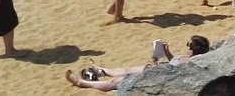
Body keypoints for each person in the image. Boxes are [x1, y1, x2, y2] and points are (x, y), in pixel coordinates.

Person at [64, 35, 211, 90]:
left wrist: (154, 66)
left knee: (115, 82)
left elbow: (170, 74)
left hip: (156, 75)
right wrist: (166, 51)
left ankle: (82, 83)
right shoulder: (187, 59)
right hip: (157, 69)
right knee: (127, 69)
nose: (186, 46)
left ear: (191, 51)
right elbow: (173, 62)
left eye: (188, 45)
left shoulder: (188, 64)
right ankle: (100, 69)